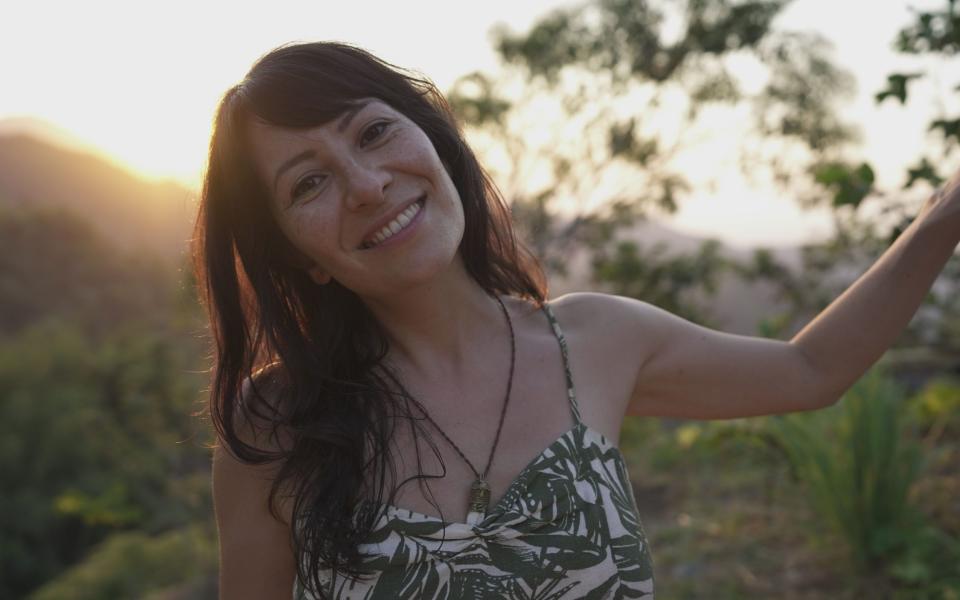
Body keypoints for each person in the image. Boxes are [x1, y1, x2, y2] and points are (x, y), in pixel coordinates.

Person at [193, 41, 960, 600]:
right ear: (299, 257)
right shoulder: (277, 426)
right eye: (309, 184)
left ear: (432, 138)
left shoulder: (595, 342)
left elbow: (810, 371)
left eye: (373, 132)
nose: (366, 184)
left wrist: (943, 215)